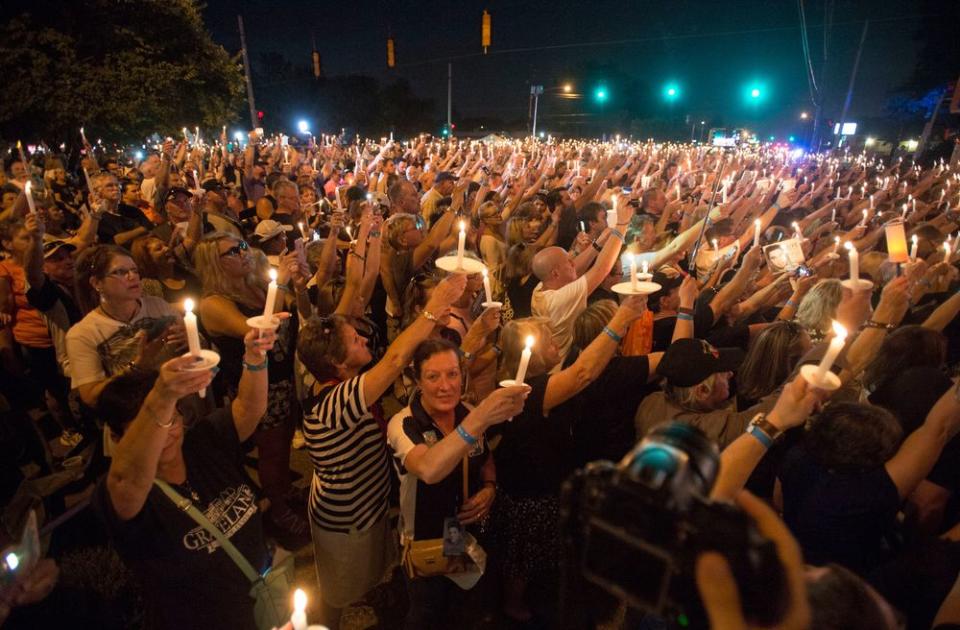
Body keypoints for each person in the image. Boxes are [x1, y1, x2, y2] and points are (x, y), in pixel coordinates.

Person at [296, 273, 467, 629]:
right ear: (339, 365)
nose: (362, 337)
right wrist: (434, 308)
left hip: (366, 504)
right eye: (354, 340)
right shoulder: (334, 402)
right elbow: (393, 361)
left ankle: (367, 595)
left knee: (369, 569)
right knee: (339, 587)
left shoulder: (343, 383)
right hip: (345, 517)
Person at [93, 328, 277, 630]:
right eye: (156, 424)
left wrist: (255, 358)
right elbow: (125, 483)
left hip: (258, 604)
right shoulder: (127, 493)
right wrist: (161, 398)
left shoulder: (204, 442)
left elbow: (249, 409)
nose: (166, 433)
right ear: (117, 438)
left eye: (173, 419)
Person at [492, 295, 647, 622]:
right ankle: (513, 606)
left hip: (539, 482)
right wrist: (621, 319)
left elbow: (579, 366)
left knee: (535, 552)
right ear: (531, 355)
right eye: (549, 343)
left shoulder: (534, 382)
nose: (557, 347)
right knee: (523, 556)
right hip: (530, 493)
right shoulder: (531, 393)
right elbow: (582, 374)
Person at [387, 338, 529, 629]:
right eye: (433, 376)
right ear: (416, 380)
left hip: (466, 535)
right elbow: (428, 469)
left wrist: (490, 487)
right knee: (426, 612)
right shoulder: (404, 424)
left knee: (468, 606)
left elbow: (485, 457)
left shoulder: (465, 411)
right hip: (427, 541)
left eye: (453, 374)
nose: (445, 386)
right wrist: (479, 419)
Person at [194, 233, 310, 548]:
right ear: (213, 263)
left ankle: (283, 488)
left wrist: (298, 284)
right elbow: (258, 331)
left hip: (284, 377)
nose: (243, 253)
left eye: (242, 246)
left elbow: (288, 314)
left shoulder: (257, 284)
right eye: (231, 252)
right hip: (258, 387)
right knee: (271, 452)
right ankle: (279, 509)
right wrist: (282, 285)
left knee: (285, 442)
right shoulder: (214, 303)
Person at [529, 195, 630, 365]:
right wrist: (622, 226)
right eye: (568, 262)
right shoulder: (558, 300)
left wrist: (598, 244)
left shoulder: (541, 287)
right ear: (555, 273)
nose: (573, 262)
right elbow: (601, 270)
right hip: (562, 366)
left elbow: (575, 267)